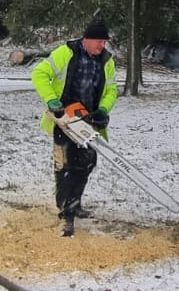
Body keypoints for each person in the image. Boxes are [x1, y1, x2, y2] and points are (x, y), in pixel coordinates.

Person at [31, 16, 118, 236]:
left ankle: (75, 203)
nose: (102, 45)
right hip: (64, 120)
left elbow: (111, 90)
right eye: (99, 41)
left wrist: (103, 110)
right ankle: (66, 213)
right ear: (87, 39)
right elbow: (39, 74)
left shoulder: (106, 61)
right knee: (65, 167)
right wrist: (52, 100)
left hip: (88, 122)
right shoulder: (66, 53)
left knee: (87, 163)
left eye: (104, 42)